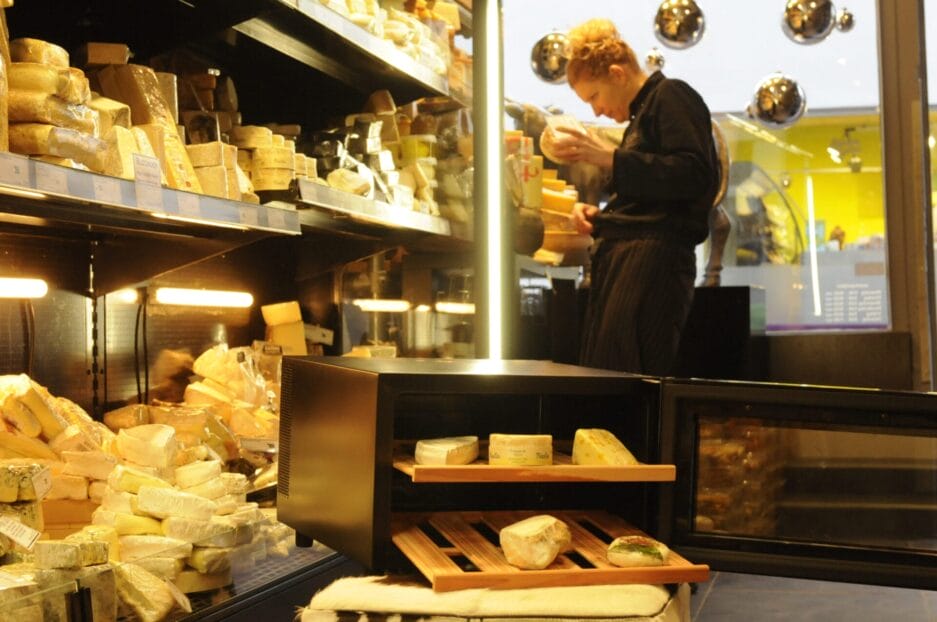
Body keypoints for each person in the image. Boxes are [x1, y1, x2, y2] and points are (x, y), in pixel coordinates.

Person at [548, 18, 719, 375]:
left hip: (653, 264)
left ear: (617, 73)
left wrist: (610, 158)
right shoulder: (640, 119)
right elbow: (653, 193)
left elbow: (695, 175)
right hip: (629, 261)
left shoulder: (671, 95)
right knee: (609, 379)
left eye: (594, 96)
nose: (595, 111)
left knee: (630, 383)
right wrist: (602, 216)